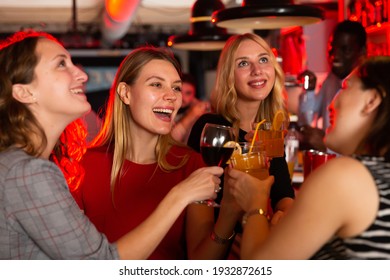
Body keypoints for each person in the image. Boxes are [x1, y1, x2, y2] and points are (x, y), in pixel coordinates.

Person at [0, 30, 222, 260]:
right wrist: (180, 195)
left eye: (176, 87)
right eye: (61, 64)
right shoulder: (32, 172)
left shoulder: (24, 166)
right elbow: (101, 266)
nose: (82, 75)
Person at [71, 46, 237, 260]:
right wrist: (179, 195)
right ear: (125, 93)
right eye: (157, 84)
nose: (171, 97)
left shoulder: (191, 164)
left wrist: (230, 214)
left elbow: (201, 263)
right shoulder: (82, 165)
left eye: (176, 88)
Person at [227, 55, 390, 259]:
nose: (333, 102)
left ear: (372, 101)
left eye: (346, 87)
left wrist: (255, 207)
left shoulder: (347, 176)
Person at [187, 33, 295, 226]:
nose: (257, 70)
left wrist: (285, 214)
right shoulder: (211, 127)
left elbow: (284, 196)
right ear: (229, 76)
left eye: (263, 60)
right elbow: (197, 204)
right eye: (243, 63)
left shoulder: (269, 131)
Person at [300, 20, 367, 151]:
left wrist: (326, 146)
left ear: (362, 52)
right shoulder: (331, 79)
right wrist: (309, 91)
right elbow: (308, 119)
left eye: (345, 49)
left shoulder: (368, 90)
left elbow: (363, 153)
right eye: (332, 48)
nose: (335, 56)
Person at [171, 73, 210, 143]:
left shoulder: (200, 111)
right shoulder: (166, 107)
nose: (182, 97)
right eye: (179, 90)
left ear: (194, 94)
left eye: (188, 93)